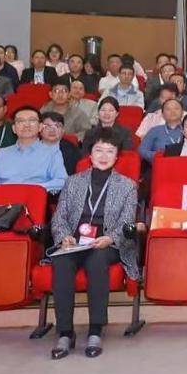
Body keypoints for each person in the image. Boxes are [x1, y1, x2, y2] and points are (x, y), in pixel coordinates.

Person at [48, 129, 139, 360]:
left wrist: (110, 238)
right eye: (99, 150)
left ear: (117, 156)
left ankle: (95, 330)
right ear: (90, 154)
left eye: (110, 151)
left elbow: (126, 222)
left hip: (107, 243)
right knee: (61, 259)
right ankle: (65, 333)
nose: (104, 156)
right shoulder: (73, 182)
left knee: (97, 259)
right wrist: (64, 236)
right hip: (75, 242)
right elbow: (59, 217)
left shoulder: (127, 186)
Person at [0, 107, 68, 193]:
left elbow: (62, 181)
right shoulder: (0, 154)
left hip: (33, 201)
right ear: (14, 129)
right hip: (3, 202)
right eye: (21, 121)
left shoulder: (52, 152)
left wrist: (32, 189)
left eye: (32, 120)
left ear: (40, 127)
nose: (26, 125)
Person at [138, 97, 186, 162]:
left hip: (185, 164)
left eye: (176, 108)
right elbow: (142, 150)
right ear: (162, 114)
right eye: (168, 109)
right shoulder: (155, 130)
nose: (173, 111)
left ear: (182, 112)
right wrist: (159, 156)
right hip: (161, 164)